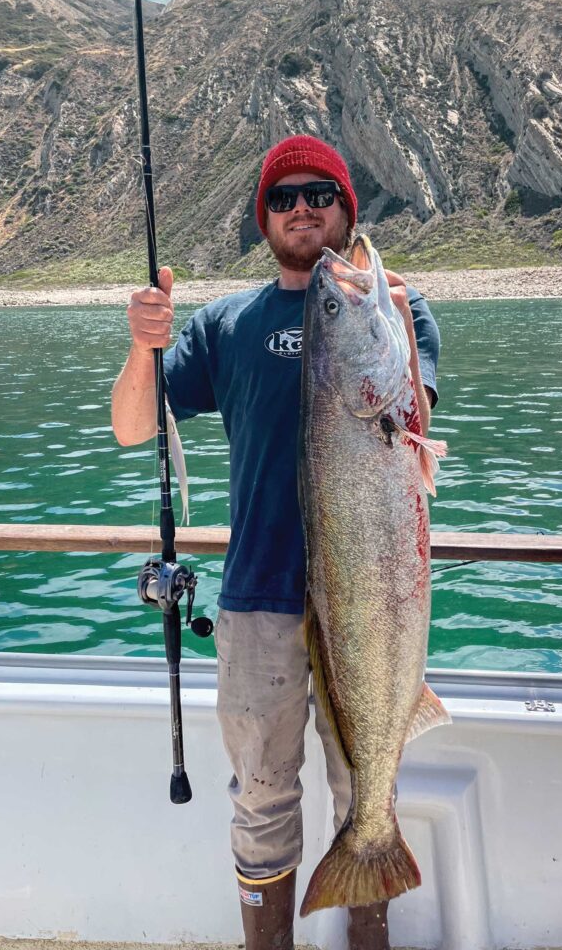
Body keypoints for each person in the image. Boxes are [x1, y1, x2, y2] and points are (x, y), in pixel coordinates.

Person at [111, 135, 441, 950]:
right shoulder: (224, 323)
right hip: (256, 601)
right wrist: (141, 344)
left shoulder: (395, 307)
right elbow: (129, 427)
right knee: (261, 798)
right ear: (264, 216)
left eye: (321, 193)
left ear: (347, 208)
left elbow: (415, 422)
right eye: (284, 196)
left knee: (364, 784)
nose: (303, 208)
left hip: (370, 604)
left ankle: (371, 899)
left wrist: (386, 314)